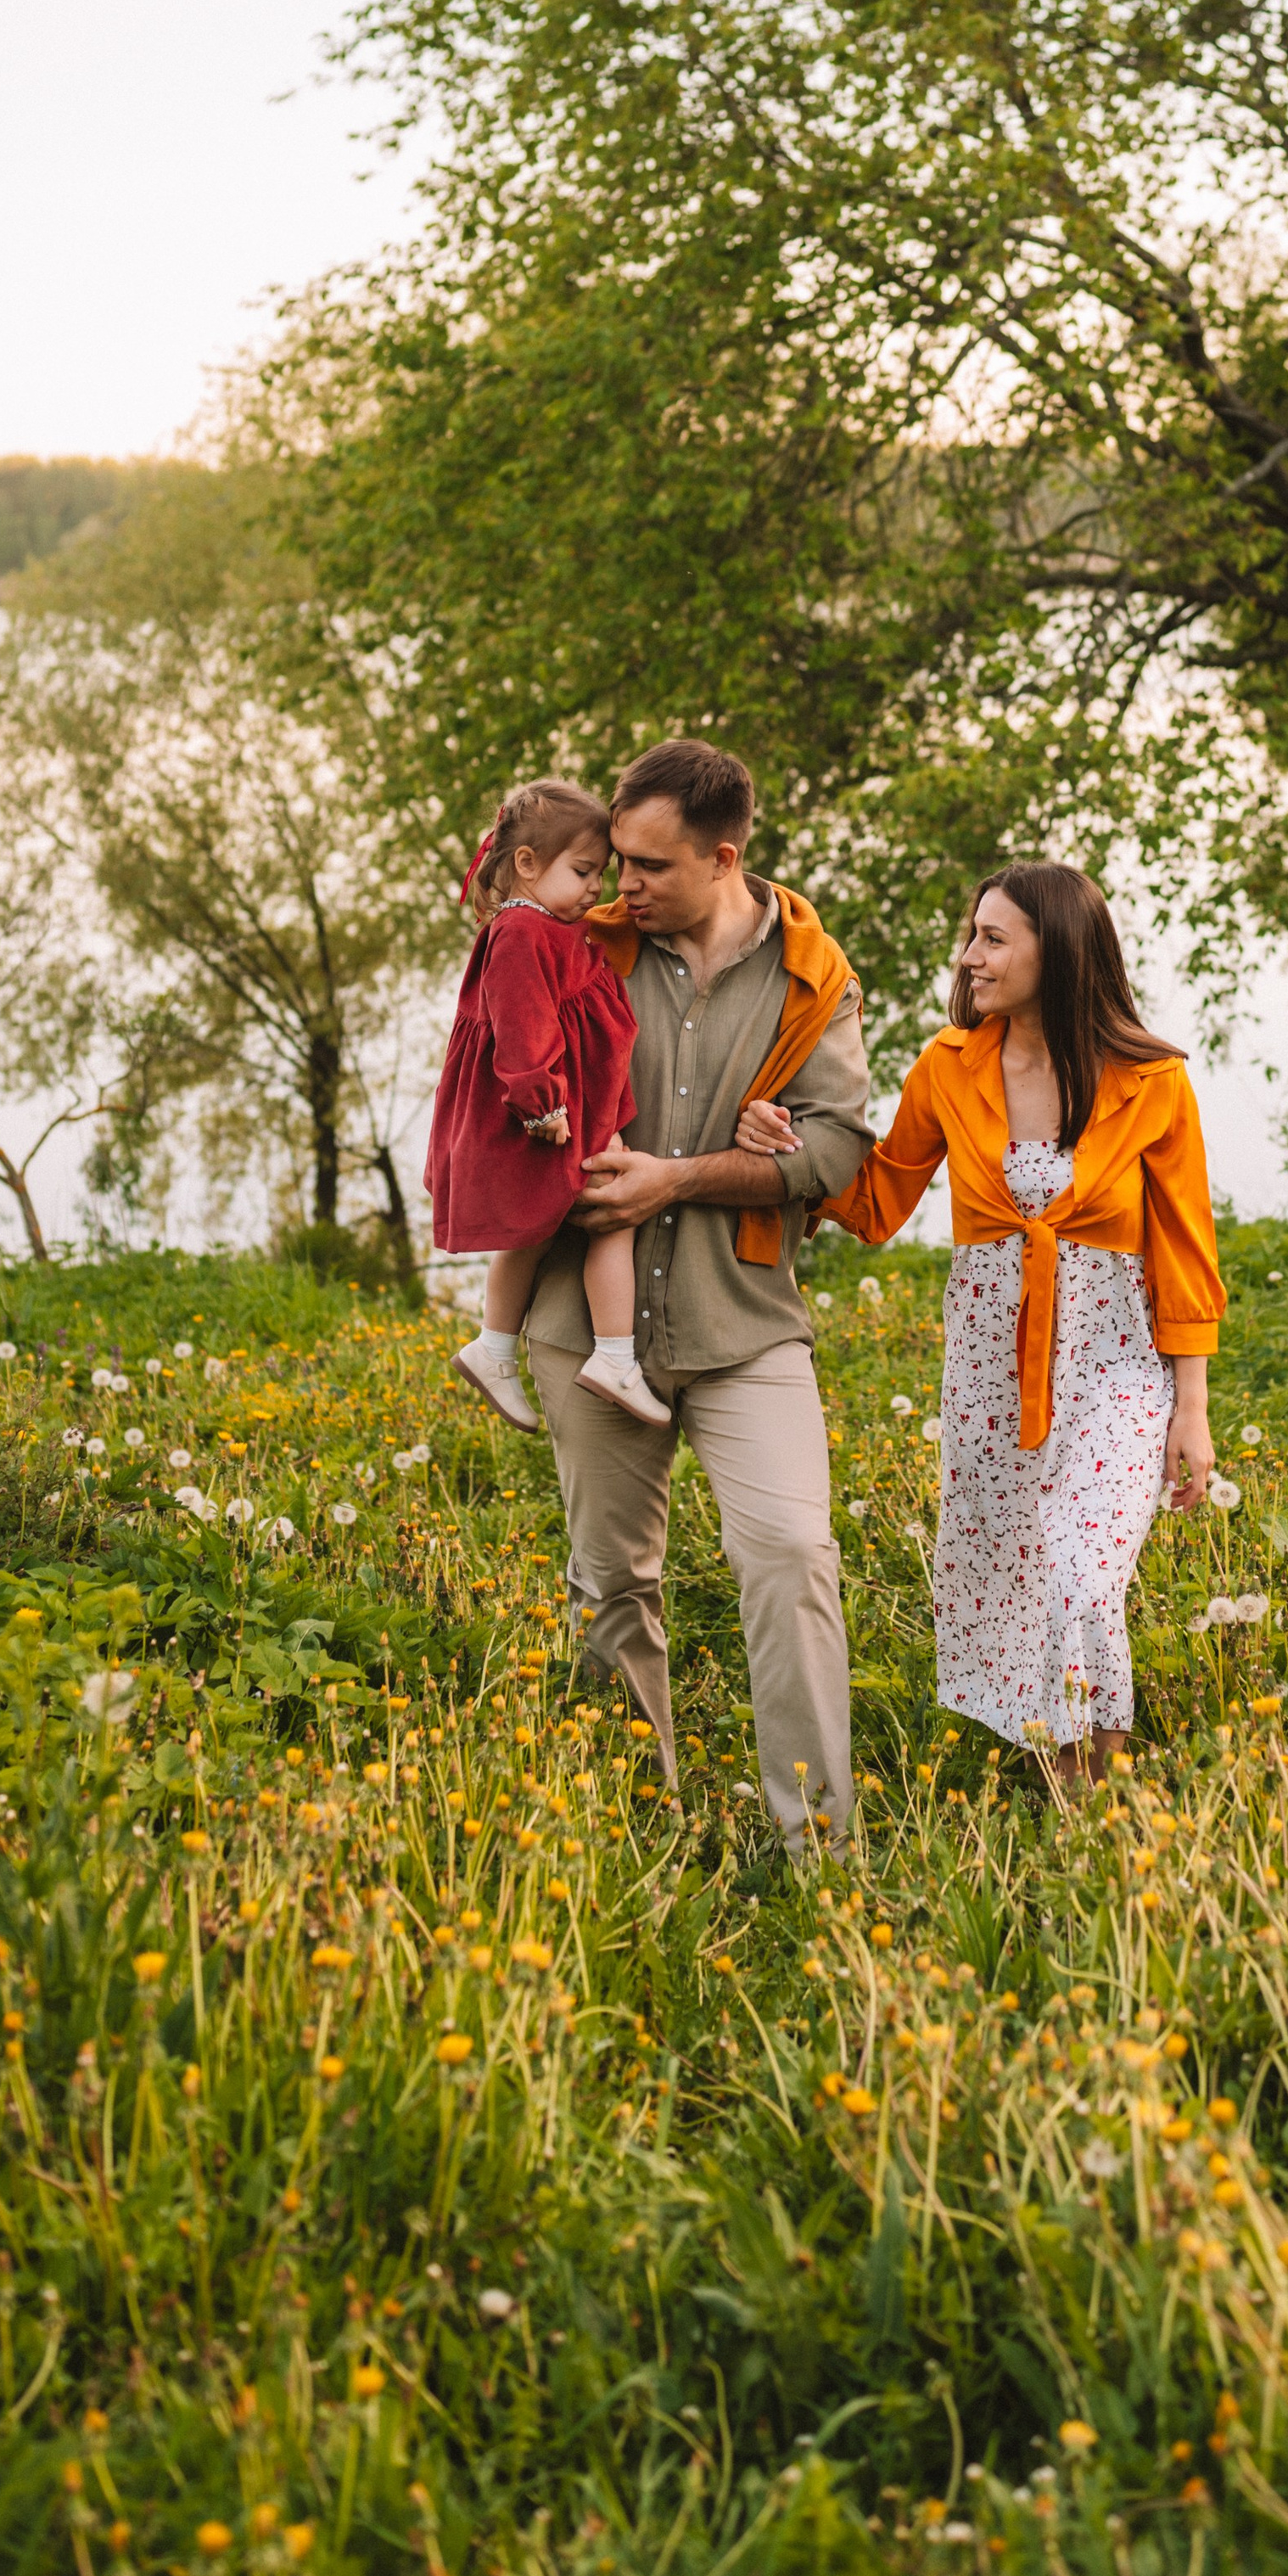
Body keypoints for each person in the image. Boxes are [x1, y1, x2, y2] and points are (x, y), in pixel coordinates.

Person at [749, 861, 1224, 1782]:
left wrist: (1191, 1408)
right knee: (1013, 1577)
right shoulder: (947, 1065)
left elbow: (1185, 1250)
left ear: (1062, 950)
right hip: (990, 1374)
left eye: (993, 938)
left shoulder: (1153, 1081)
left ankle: (1098, 1810)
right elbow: (880, 1198)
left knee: (1084, 1580)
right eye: (971, 935)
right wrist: (792, 1150)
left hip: (1118, 1366)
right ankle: (1058, 1794)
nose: (969, 957)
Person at [521, 739, 874, 1847]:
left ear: (723, 860)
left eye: (650, 868)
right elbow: (500, 1078)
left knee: (792, 1556)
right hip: (586, 1323)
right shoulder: (578, 945)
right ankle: (630, 1836)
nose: (620, 883)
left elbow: (838, 1153)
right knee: (610, 1581)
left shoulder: (815, 975)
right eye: (614, 859)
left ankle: (816, 1848)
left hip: (747, 1321)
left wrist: (684, 1174)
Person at [428, 776, 672, 1433]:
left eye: (603, 872)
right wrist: (541, 1105)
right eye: (585, 871)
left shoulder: (556, 927)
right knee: (609, 1216)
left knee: (539, 1233)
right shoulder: (519, 931)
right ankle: (612, 1356)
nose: (598, 888)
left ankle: (496, 1347)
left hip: (578, 1111)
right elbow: (521, 1026)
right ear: (528, 866)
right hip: (548, 1120)